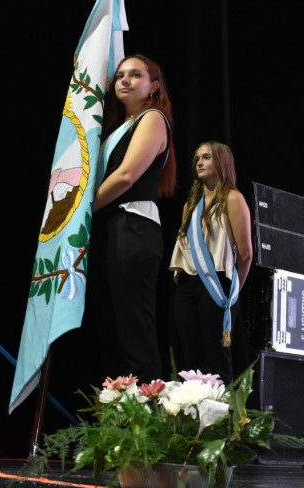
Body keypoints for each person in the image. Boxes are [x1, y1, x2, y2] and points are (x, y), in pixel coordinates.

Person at [89, 54, 177, 383]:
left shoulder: (152, 118)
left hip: (133, 228)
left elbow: (126, 175)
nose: (124, 80)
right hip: (110, 229)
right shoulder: (117, 127)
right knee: (112, 333)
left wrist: (82, 213)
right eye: (121, 75)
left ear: (153, 86)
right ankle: (119, 425)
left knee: (134, 332)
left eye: (136, 75)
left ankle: (149, 426)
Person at [169, 142, 253, 383]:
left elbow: (246, 254)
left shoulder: (233, 199)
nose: (199, 162)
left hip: (216, 285)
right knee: (190, 362)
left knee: (216, 361)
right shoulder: (190, 206)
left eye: (206, 157)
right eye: (197, 158)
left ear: (221, 162)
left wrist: (233, 292)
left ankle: (220, 417)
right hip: (186, 286)